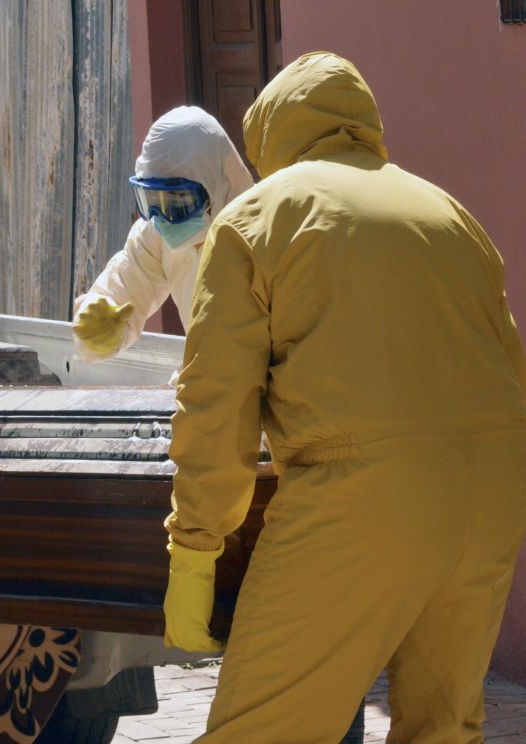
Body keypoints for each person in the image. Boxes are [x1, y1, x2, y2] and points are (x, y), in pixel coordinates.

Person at [162, 52, 526, 742]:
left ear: (270, 134)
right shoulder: (451, 214)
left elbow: (217, 400)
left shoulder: (255, 217)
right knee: (442, 729)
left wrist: (193, 549)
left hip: (360, 498)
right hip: (493, 496)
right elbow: (510, 371)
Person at [72, 106, 254, 361]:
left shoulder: (263, 237)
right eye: (150, 200)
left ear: (216, 187)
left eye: (177, 200)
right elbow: (126, 286)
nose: (162, 216)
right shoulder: (155, 234)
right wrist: (98, 319)